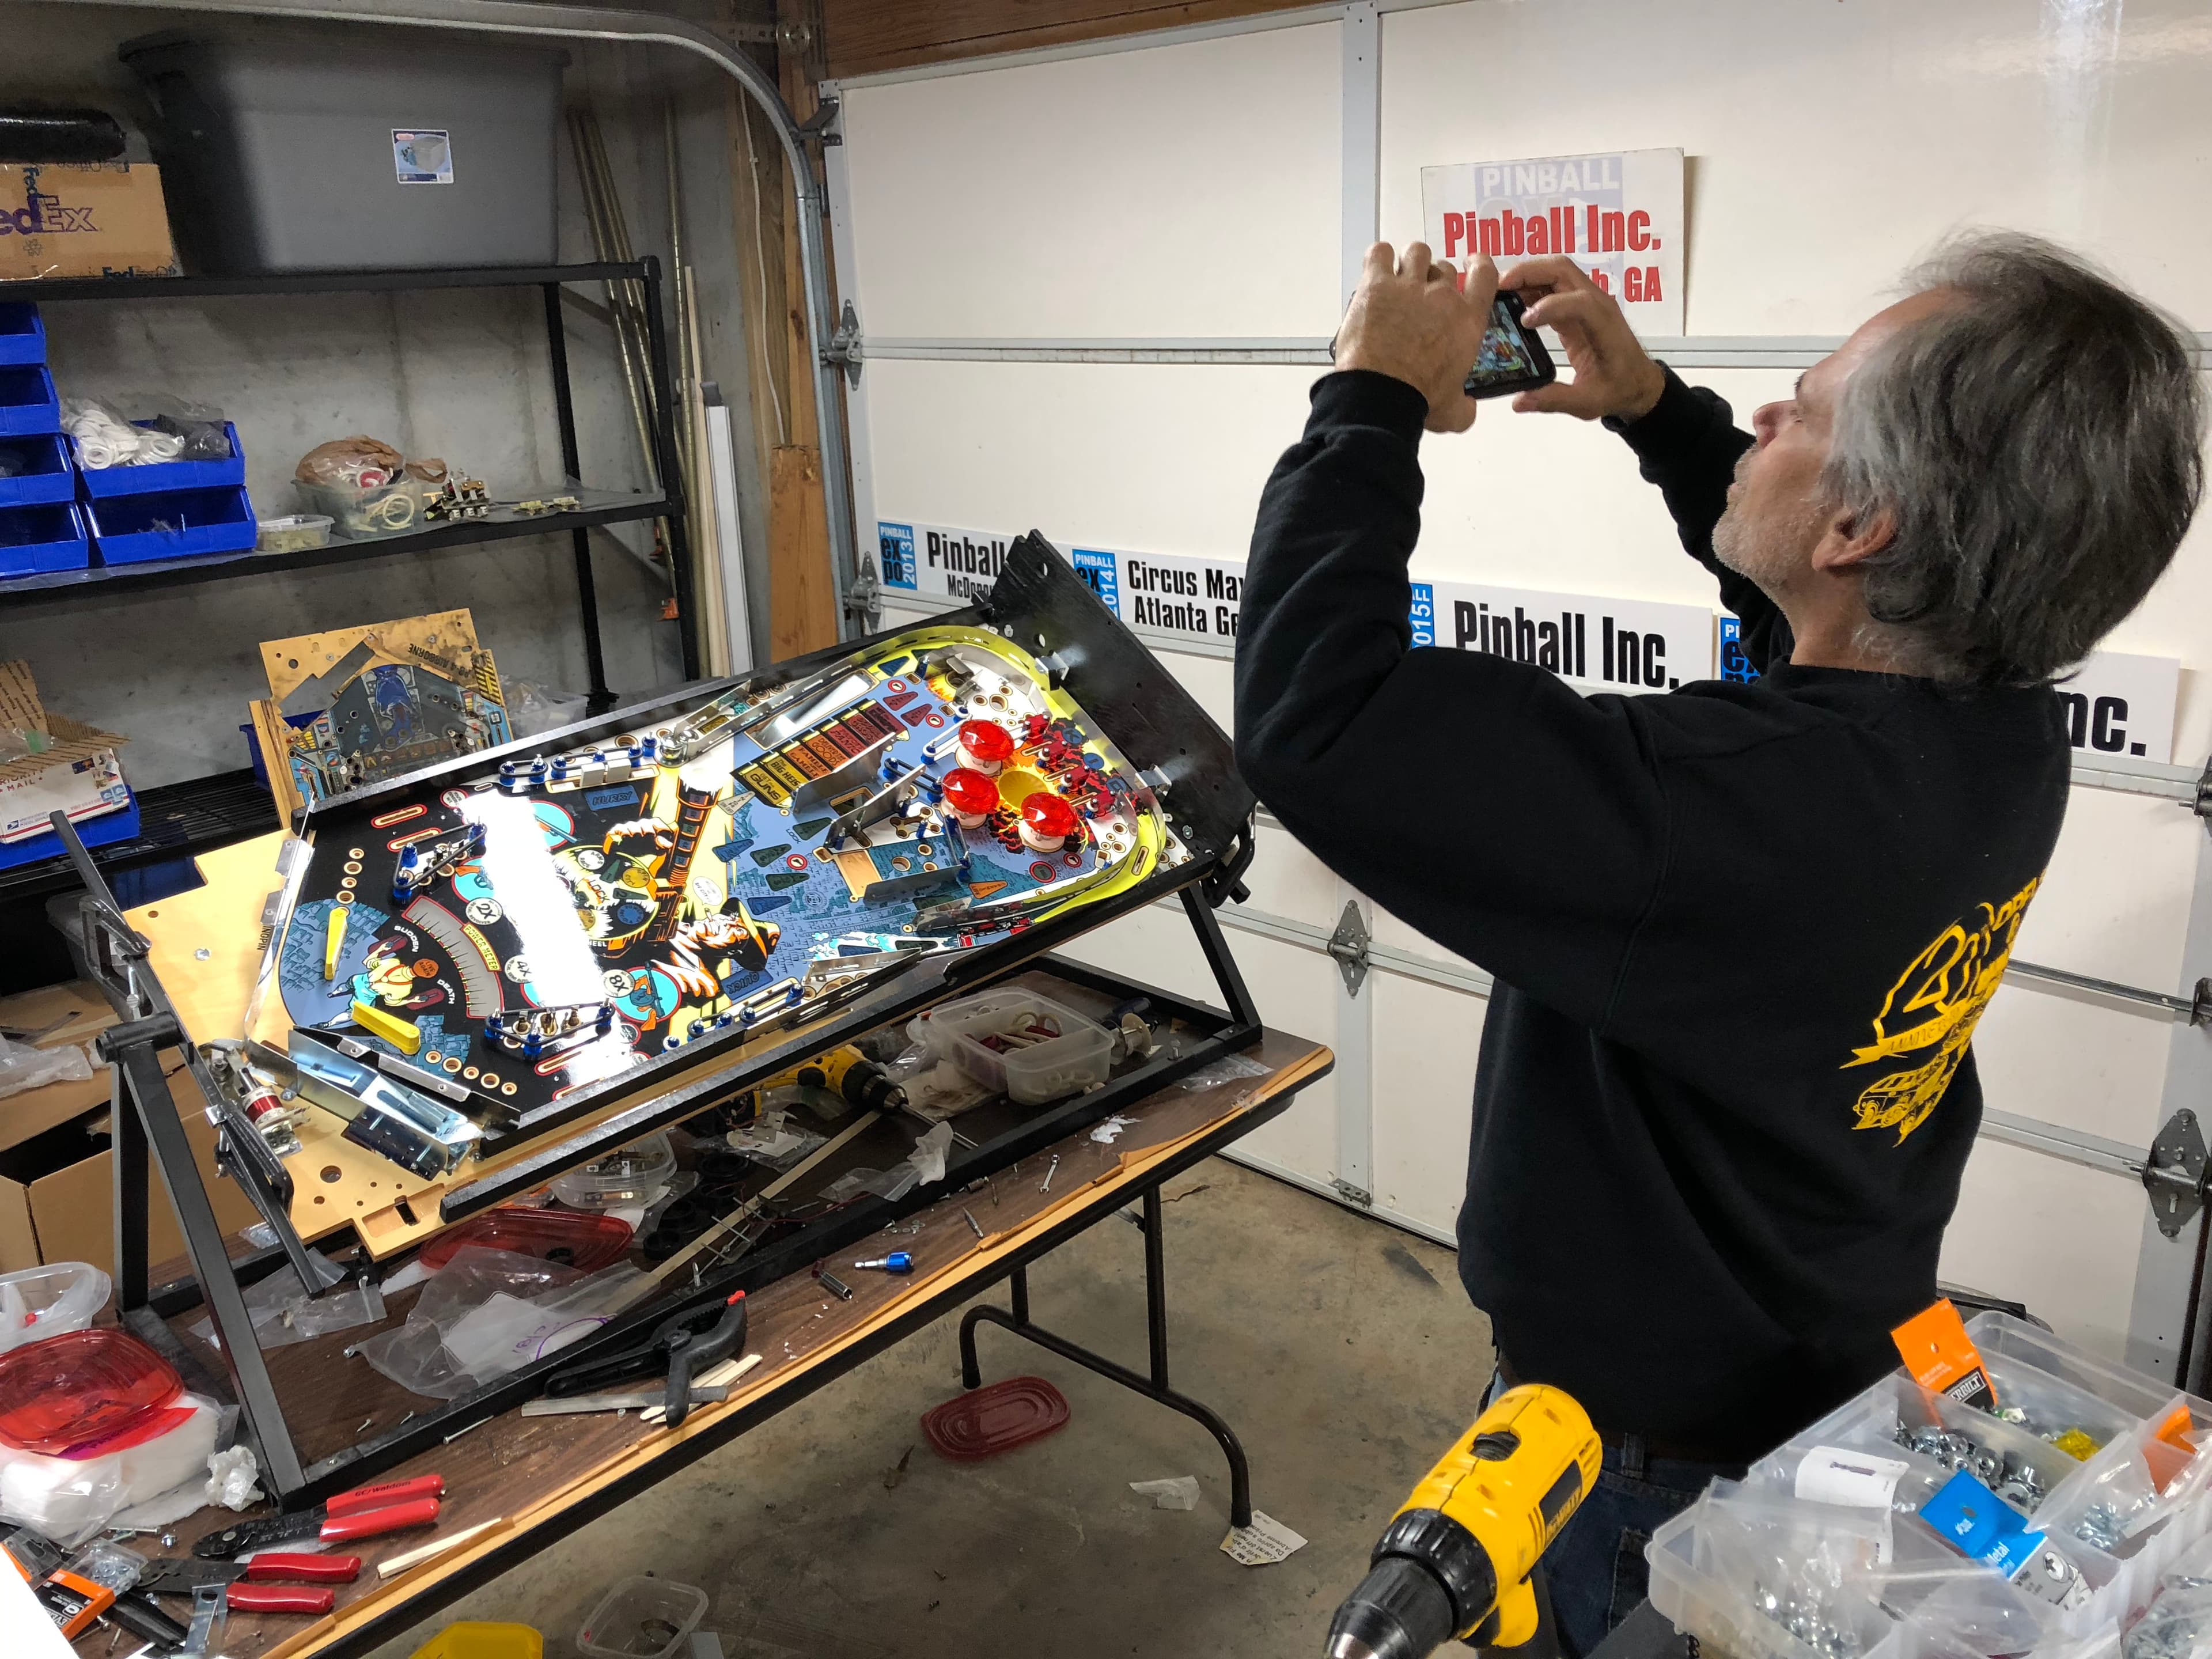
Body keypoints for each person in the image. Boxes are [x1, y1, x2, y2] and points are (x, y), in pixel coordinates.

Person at [1233, 233, 2203, 1655]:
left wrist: (1370, 399)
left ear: (1861, 528)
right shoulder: (1993, 732)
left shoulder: (1720, 809)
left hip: (1641, 1456)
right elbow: (1801, 606)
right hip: (1822, 1347)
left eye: (1798, 412)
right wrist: (1651, 411)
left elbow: (1321, 724)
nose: (1760, 421)